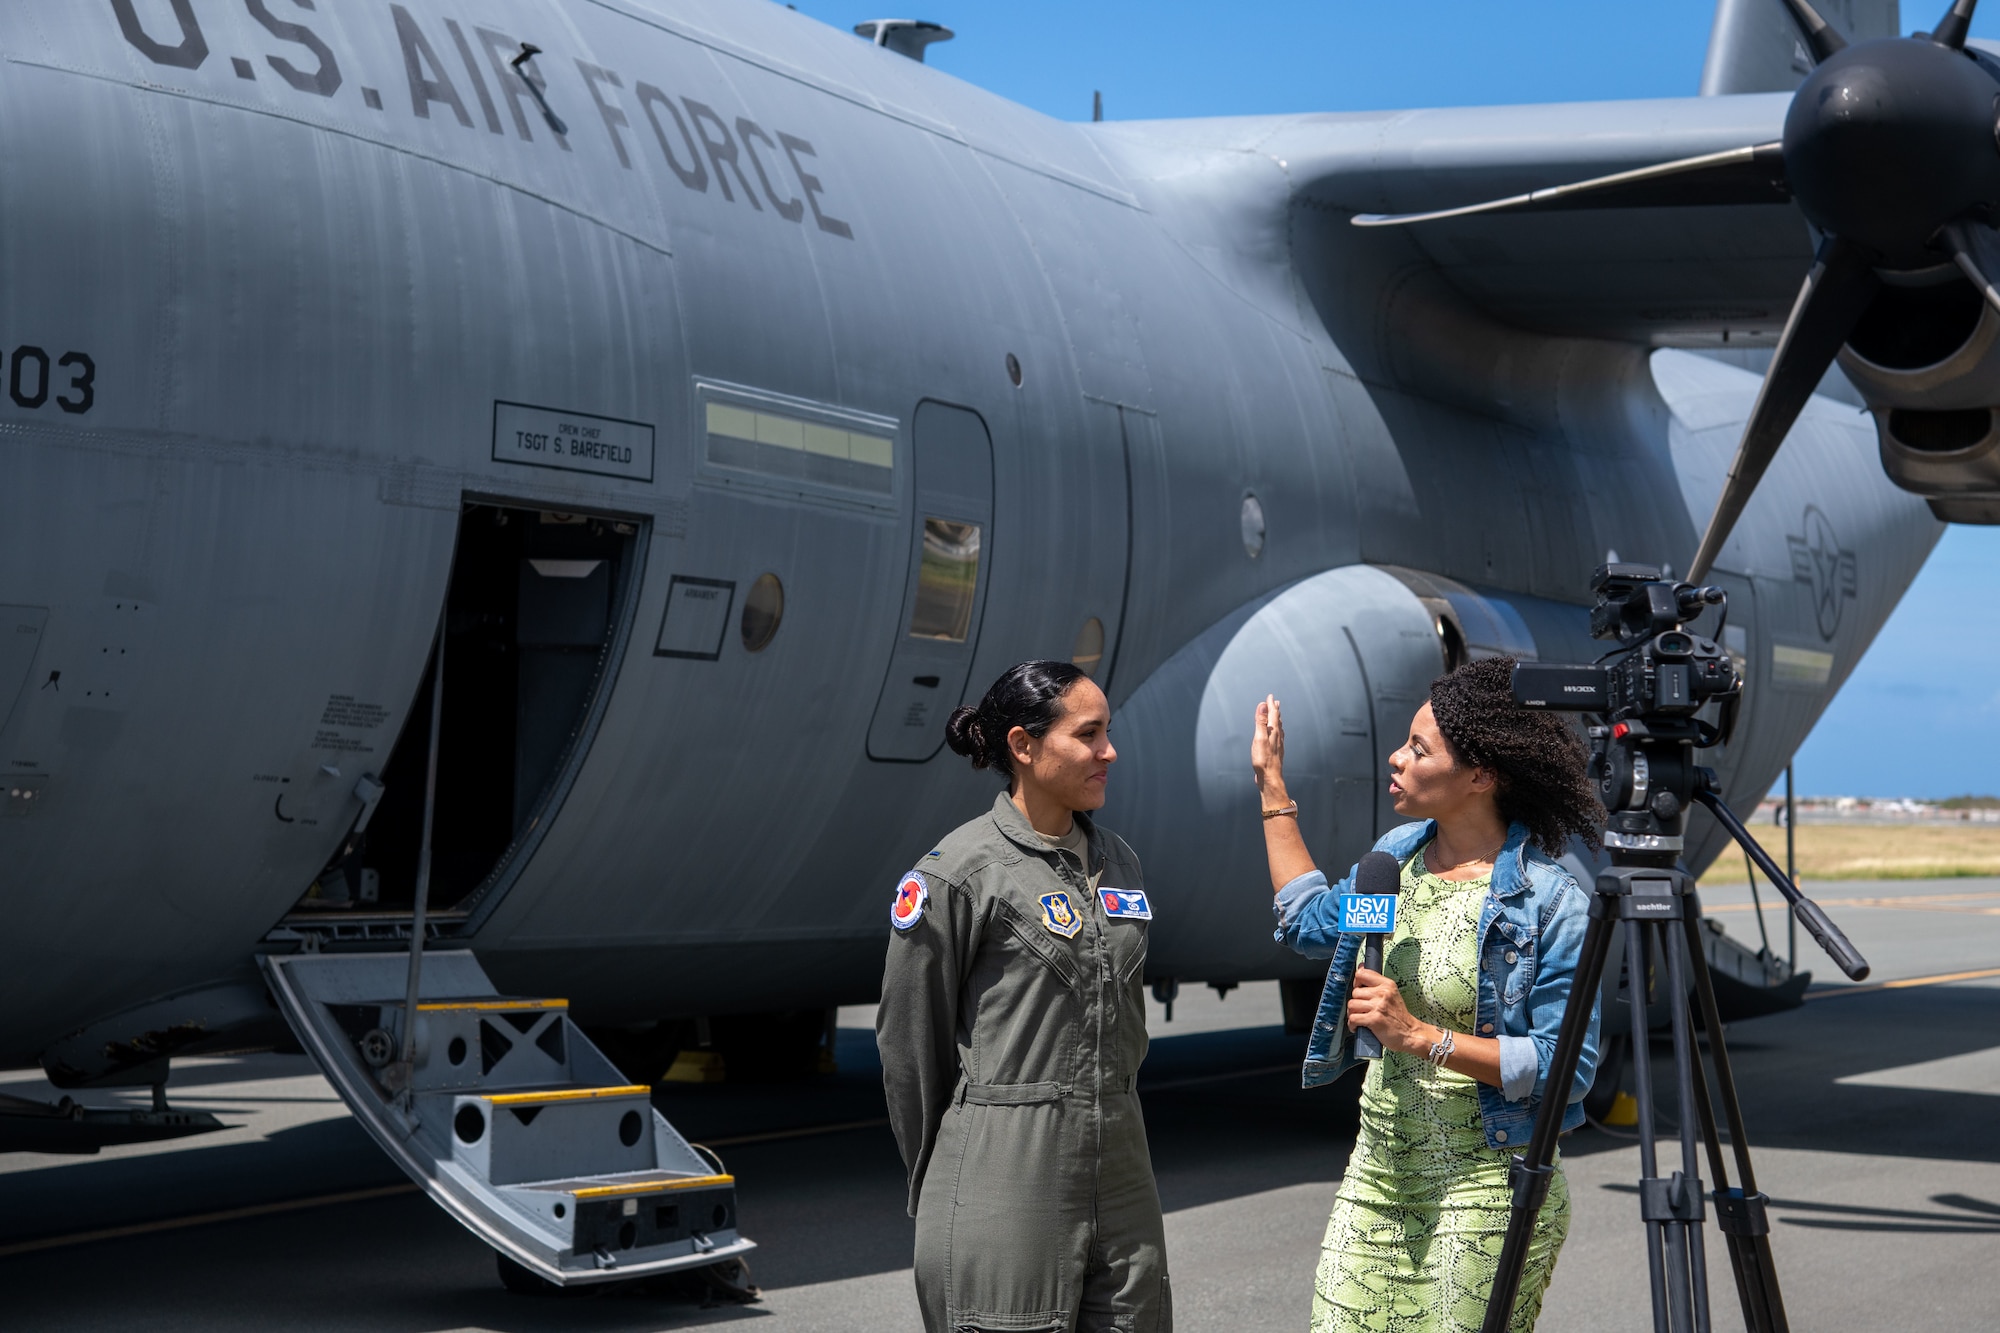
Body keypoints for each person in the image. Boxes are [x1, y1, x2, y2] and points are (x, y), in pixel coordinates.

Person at [1251, 656, 1605, 1332]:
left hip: (1487, 1185)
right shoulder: (1392, 865)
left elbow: (1567, 1065)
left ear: (1480, 775)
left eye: (1419, 748)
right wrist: (1271, 783)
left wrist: (1420, 1037)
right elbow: (1306, 921)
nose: (1397, 757)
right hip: (1378, 1177)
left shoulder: (1549, 901)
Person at [878, 660, 1171, 1333]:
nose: (1109, 751)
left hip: (1123, 1167)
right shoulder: (958, 872)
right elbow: (908, 1049)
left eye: (1108, 732)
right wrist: (964, 1164)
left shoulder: (1119, 861)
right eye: (1089, 734)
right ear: (1023, 745)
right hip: (1005, 1171)